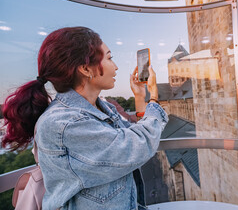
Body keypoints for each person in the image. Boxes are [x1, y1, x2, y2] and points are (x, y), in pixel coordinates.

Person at [1, 26, 168, 210]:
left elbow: (133, 134)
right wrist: (153, 98)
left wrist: (138, 96)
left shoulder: (101, 108)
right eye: (110, 58)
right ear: (86, 68)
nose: (116, 66)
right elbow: (138, 145)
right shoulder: (65, 123)